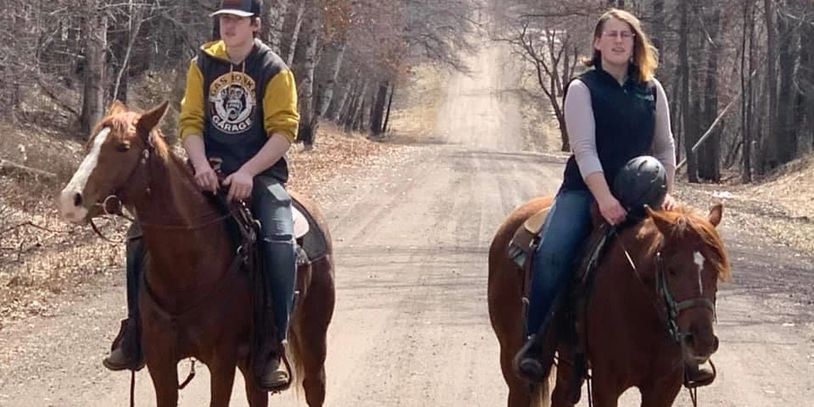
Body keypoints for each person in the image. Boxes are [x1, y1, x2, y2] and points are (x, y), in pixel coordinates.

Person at [103, 0, 300, 391]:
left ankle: (270, 344)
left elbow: (283, 131)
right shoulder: (203, 65)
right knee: (140, 234)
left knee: (280, 238)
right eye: (224, 19)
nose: (228, 26)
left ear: (255, 26)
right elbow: (190, 121)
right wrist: (201, 166)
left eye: (237, 20)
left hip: (258, 174)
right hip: (204, 171)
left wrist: (248, 171)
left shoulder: (274, 70)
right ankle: (136, 331)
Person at [513, 8, 682, 382]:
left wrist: (668, 193)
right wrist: (605, 199)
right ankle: (537, 342)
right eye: (612, 35)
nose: (620, 41)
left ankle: (688, 349)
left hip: (646, 195)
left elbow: (665, 146)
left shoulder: (652, 89)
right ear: (598, 42)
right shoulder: (582, 88)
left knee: (691, 254)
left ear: (635, 42)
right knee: (554, 253)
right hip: (586, 192)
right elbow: (585, 150)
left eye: (626, 35)